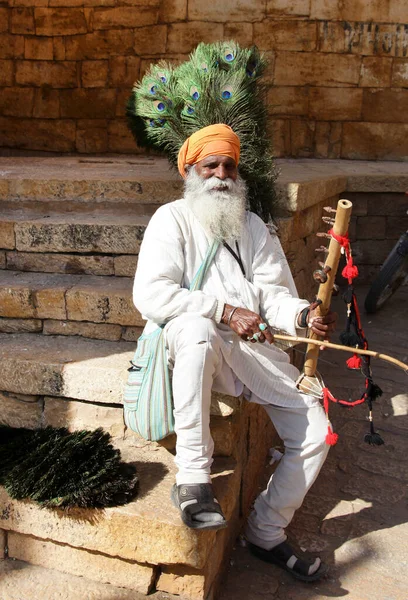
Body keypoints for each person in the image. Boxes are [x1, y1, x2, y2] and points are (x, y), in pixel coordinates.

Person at [133, 124, 337, 582]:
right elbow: (152, 295)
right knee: (197, 329)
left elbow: (273, 295)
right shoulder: (171, 219)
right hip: (190, 350)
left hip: (250, 354)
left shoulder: (252, 226)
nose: (221, 175)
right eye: (211, 165)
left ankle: (266, 530)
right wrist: (224, 310)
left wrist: (303, 316)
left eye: (229, 165)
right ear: (191, 170)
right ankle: (193, 478)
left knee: (317, 432)